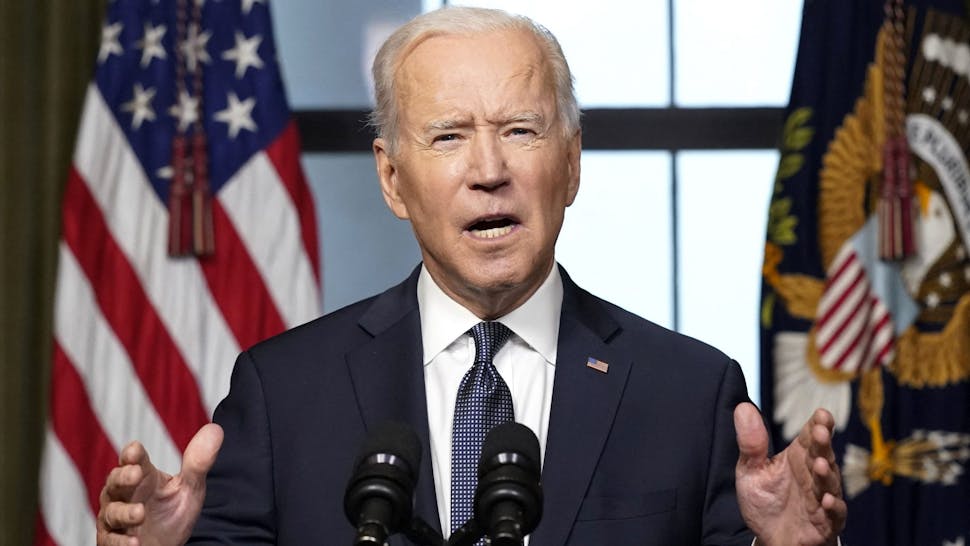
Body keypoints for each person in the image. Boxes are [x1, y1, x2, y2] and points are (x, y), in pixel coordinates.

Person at [96, 6, 846, 546]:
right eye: (449, 137)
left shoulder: (690, 392)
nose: (489, 172)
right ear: (392, 180)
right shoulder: (284, 392)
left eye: (521, 130)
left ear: (573, 161)